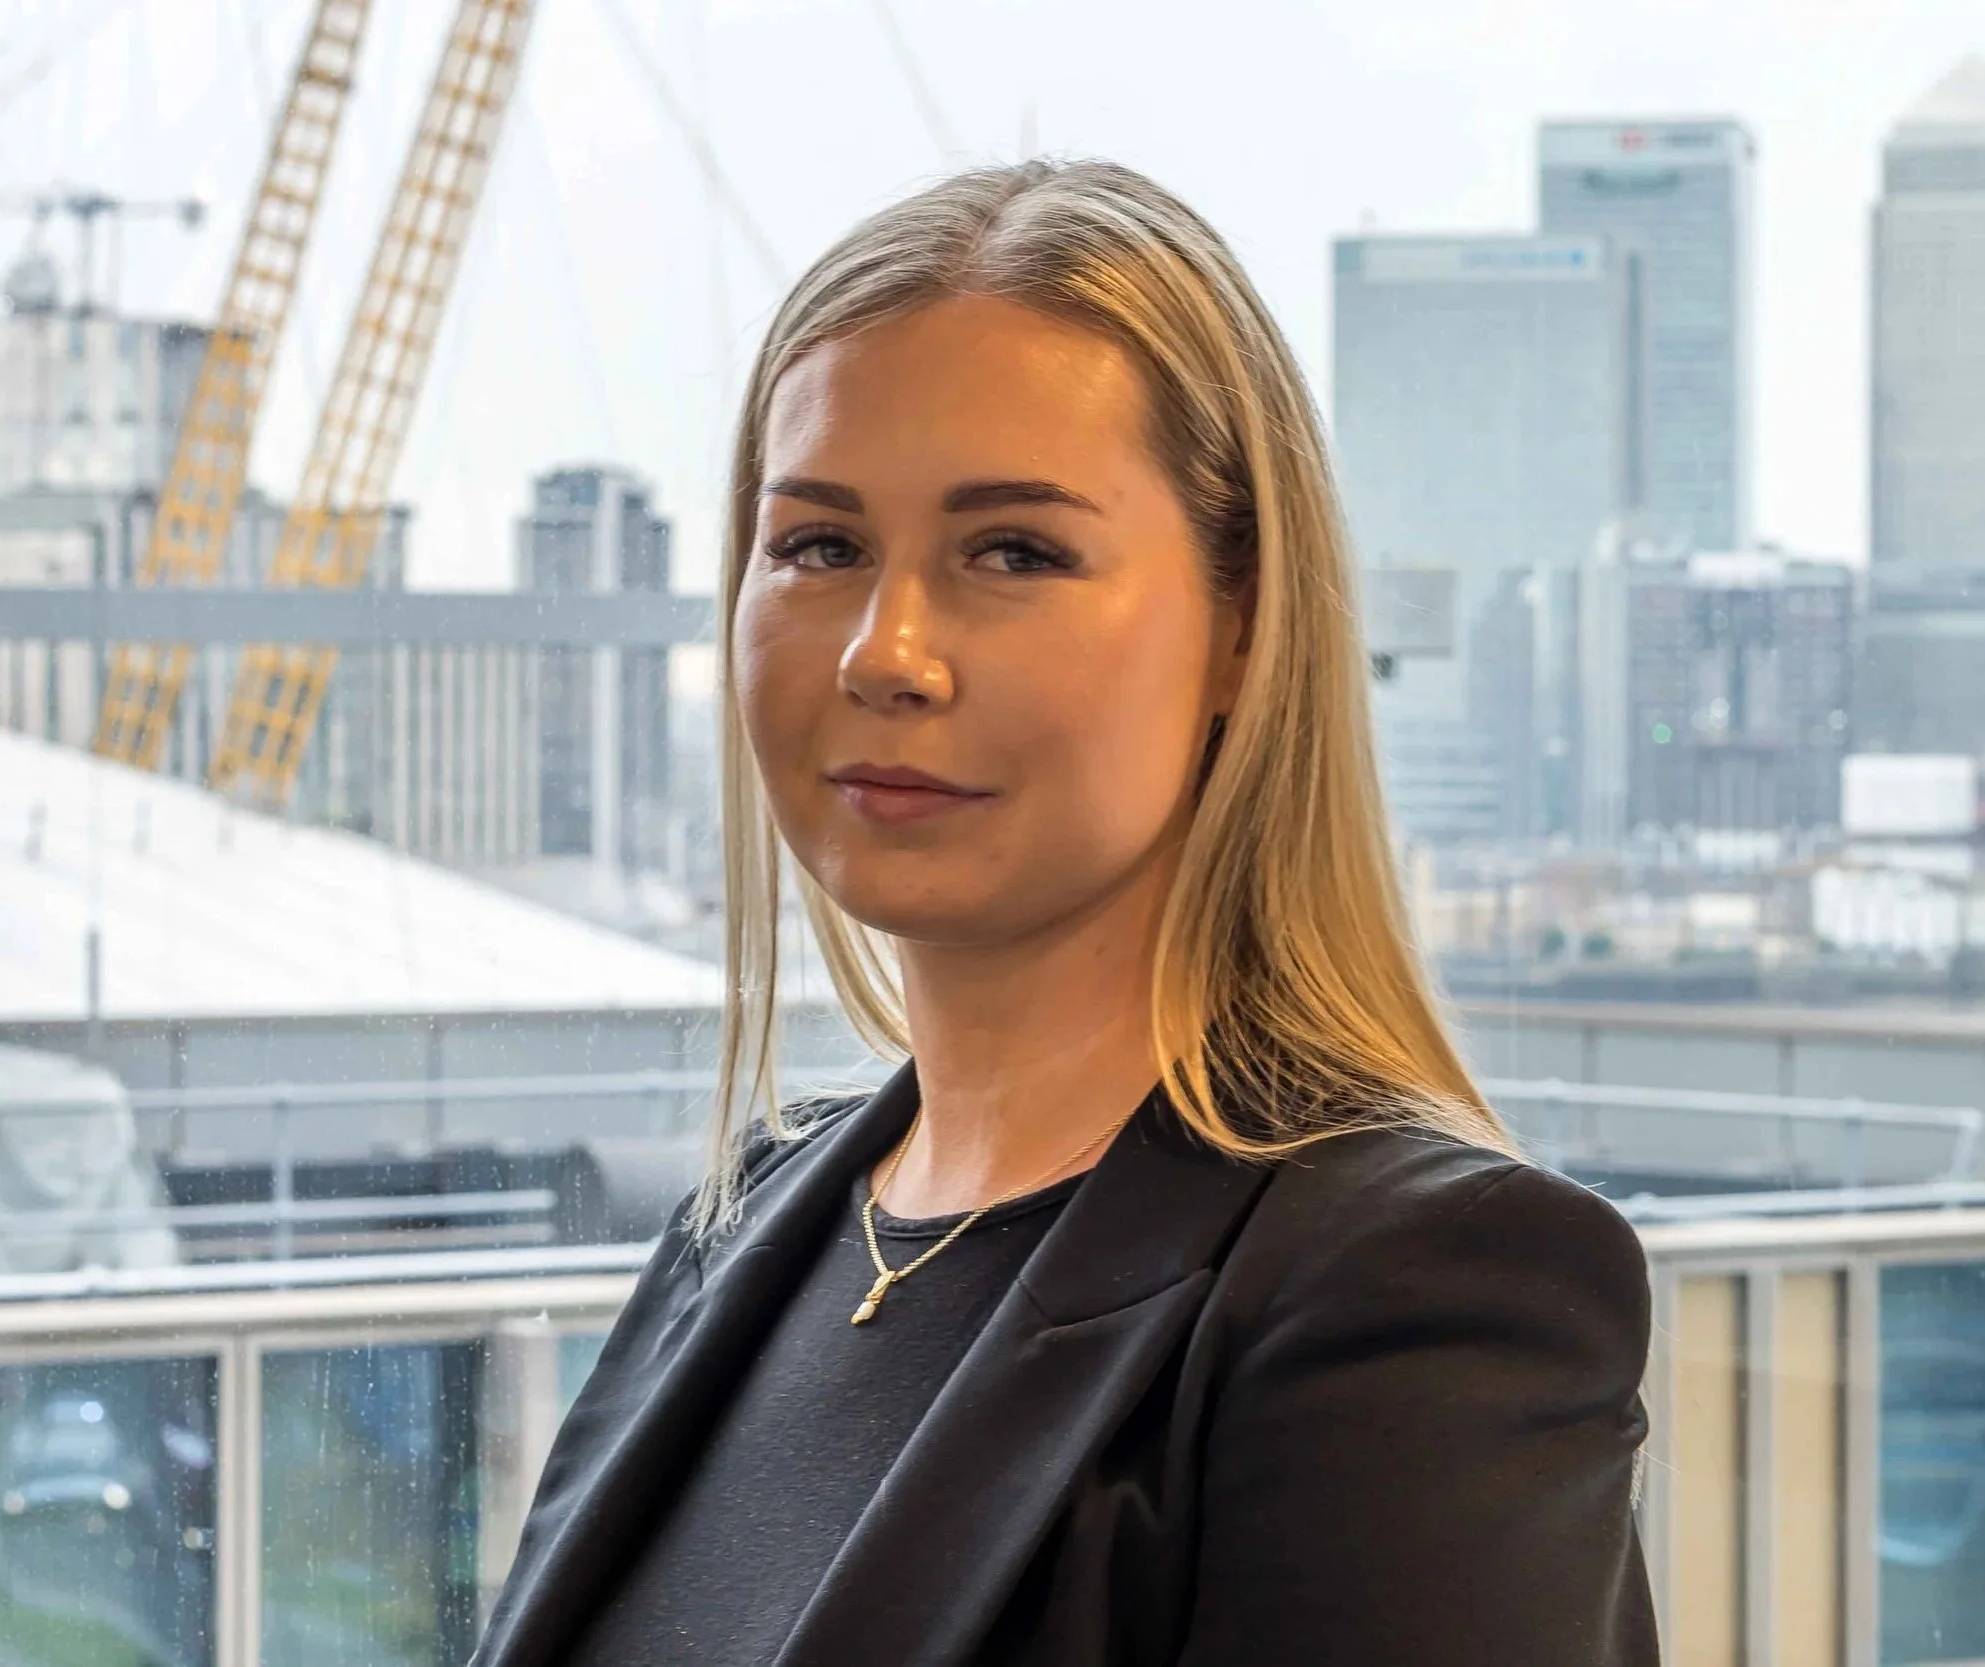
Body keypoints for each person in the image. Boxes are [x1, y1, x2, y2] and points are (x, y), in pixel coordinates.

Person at [471, 157, 1659, 1667]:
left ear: (1243, 629)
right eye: (820, 546)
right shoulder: (746, 1225)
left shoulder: (1418, 1296)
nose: (884, 653)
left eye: (1014, 551)